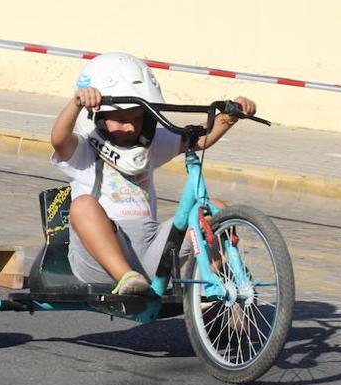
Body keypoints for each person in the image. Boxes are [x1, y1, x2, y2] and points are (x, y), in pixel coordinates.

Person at [49, 52, 256, 296]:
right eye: (119, 119)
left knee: (215, 210)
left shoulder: (148, 144)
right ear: (97, 116)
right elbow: (58, 139)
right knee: (83, 205)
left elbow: (197, 138)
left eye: (137, 118)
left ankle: (214, 290)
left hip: (151, 250)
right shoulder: (82, 150)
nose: (130, 127)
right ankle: (125, 276)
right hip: (97, 259)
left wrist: (229, 117)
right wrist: (76, 103)